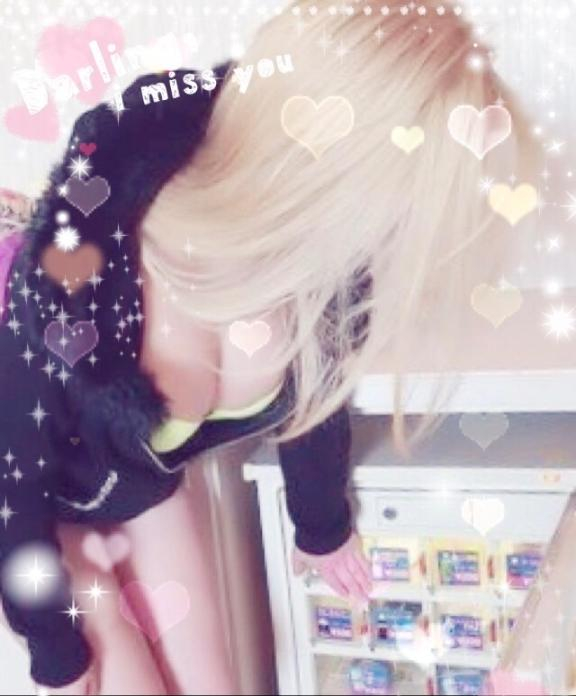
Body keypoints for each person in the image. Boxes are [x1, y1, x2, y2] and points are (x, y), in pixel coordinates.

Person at [0, 0, 536, 694]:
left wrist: (322, 526)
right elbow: (13, 480)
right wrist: (54, 649)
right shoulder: (84, 263)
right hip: (33, 495)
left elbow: (315, 396)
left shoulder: (324, 272)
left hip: (138, 483)